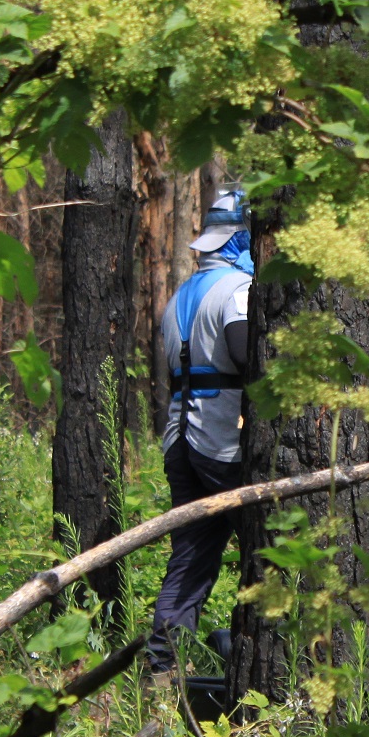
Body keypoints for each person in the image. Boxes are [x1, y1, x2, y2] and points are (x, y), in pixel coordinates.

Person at [147, 188, 254, 677]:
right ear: (239, 239)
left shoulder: (178, 297)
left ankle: (162, 666)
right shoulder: (237, 289)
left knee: (190, 556)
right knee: (262, 546)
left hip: (179, 440)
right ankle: (256, 652)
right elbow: (243, 354)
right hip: (222, 441)